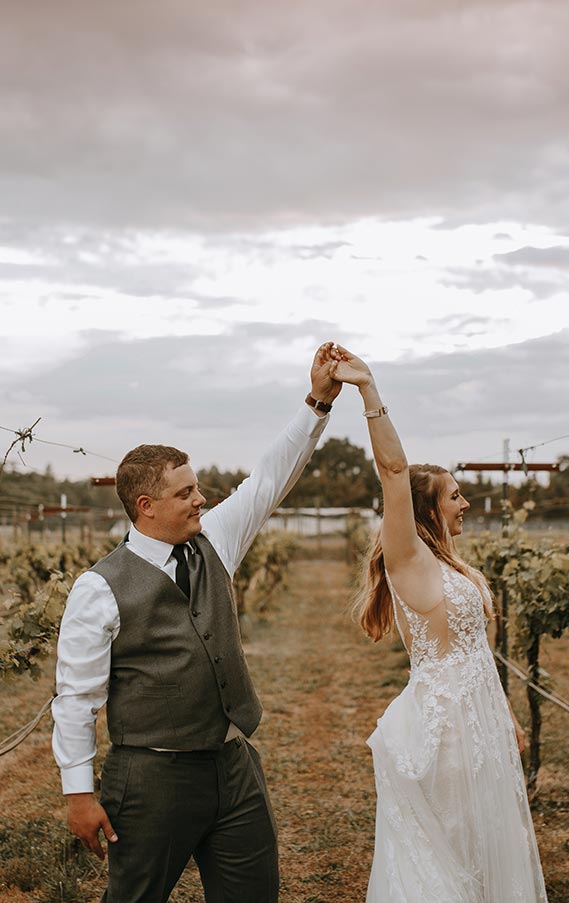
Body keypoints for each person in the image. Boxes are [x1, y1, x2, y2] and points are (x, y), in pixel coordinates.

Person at [51, 342, 343, 903]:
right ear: (146, 505)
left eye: (198, 488)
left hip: (234, 768)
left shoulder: (216, 544)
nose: (200, 500)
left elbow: (266, 482)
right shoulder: (98, 589)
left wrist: (317, 402)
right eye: (185, 493)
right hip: (151, 779)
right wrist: (78, 794)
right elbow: (76, 698)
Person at [327, 345, 547, 902]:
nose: (465, 503)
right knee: (451, 852)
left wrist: (505, 716)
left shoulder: (454, 564)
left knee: (485, 845)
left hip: (481, 721)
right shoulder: (411, 561)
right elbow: (394, 471)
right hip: (445, 730)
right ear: (426, 510)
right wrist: (367, 390)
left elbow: (478, 652)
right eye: (454, 496)